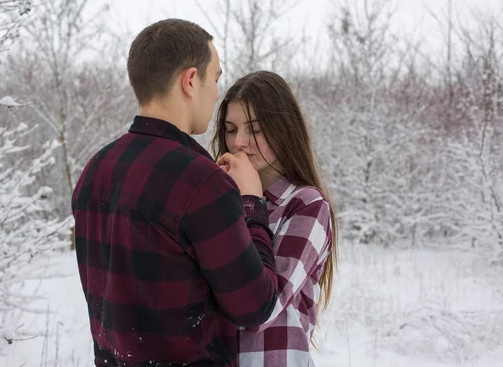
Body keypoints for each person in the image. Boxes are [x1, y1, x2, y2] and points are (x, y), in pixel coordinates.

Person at [71, 19, 279, 367]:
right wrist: (253, 205)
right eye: (215, 78)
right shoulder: (202, 183)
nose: (216, 92)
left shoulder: (95, 170)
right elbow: (254, 306)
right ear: (190, 80)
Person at [211, 71, 338, 367]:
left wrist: (251, 203)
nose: (239, 142)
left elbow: (262, 310)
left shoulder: (306, 205)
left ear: (283, 129)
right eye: (230, 129)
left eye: (254, 129)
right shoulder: (219, 199)